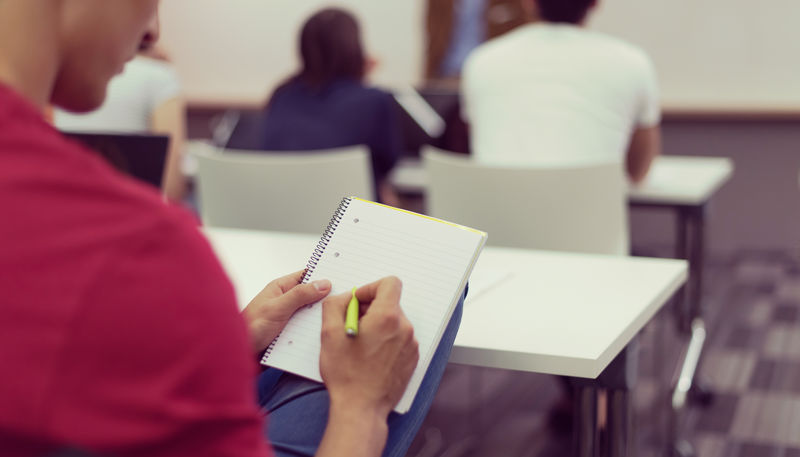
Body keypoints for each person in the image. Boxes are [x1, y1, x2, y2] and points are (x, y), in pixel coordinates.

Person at [0, 2, 461, 457]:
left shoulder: (282, 94)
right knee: (420, 291)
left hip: (260, 232)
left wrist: (227, 346)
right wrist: (361, 409)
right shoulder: (136, 247)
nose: (154, 34)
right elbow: (387, 165)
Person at [461, 0, 661, 184]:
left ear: (528, 2)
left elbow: (471, 145)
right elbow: (637, 172)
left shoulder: (481, 62)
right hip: (589, 220)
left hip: (491, 220)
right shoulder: (632, 63)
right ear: (595, 3)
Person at [255, 8, 402, 206]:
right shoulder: (374, 100)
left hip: (283, 216)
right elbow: (388, 163)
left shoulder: (282, 95)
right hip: (347, 222)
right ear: (355, 48)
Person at [53, 46, 188, 203]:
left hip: (69, 203)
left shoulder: (60, 75)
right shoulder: (161, 76)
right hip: (136, 208)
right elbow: (171, 189)